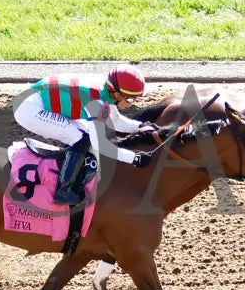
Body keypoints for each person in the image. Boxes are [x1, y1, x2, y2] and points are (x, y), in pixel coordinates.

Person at [14, 64, 155, 205]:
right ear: (117, 94)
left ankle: (70, 174)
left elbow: (115, 121)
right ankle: (63, 191)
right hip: (29, 109)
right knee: (81, 138)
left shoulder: (105, 90)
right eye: (131, 99)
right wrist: (134, 158)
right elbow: (101, 145)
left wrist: (140, 126)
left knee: (84, 134)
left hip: (34, 99)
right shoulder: (96, 103)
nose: (132, 103)